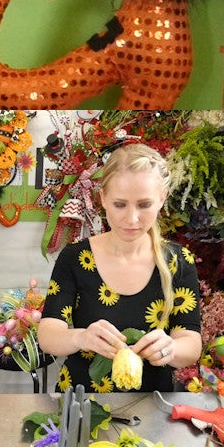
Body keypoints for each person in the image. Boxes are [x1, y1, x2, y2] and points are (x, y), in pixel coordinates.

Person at [36, 143, 202, 393]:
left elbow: (191, 343)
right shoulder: (75, 258)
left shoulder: (178, 261)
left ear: (162, 198)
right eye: (120, 204)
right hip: (81, 402)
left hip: (152, 403)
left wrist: (170, 348)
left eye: (144, 205)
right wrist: (81, 337)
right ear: (103, 198)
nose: (132, 219)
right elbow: (48, 335)